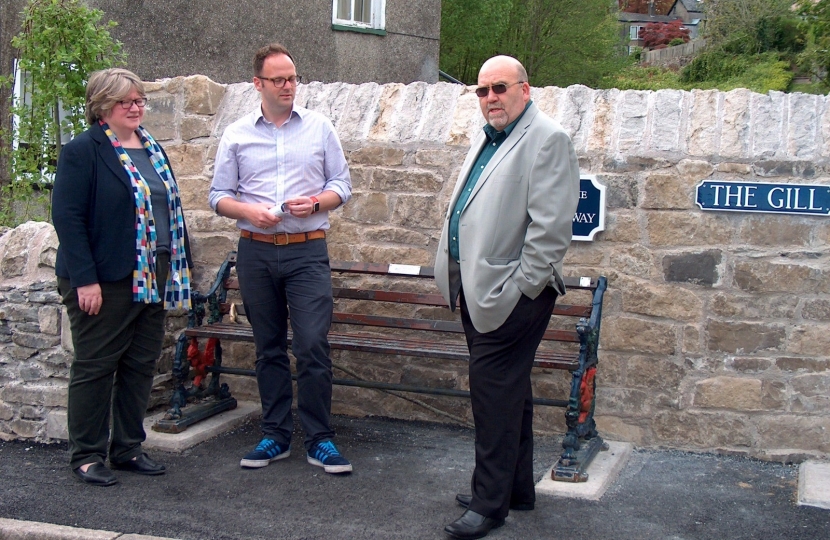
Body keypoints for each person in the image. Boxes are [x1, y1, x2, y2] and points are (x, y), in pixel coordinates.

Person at [434, 55, 580, 539]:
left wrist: (521, 288)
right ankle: (516, 489)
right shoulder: (490, 135)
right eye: (482, 91)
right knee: (508, 393)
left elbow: (551, 230)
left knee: (491, 397)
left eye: (499, 88)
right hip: (478, 289)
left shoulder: (548, 139)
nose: (490, 98)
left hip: (511, 295)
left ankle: (488, 504)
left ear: (525, 89)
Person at [208, 43, 353, 474]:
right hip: (254, 251)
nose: (289, 86)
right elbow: (218, 196)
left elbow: (342, 186)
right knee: (268, 347)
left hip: (307, 250)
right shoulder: (236, 134)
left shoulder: (320, 128)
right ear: (258, 84)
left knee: (312, 344)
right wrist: (248, 211)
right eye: (279, 80)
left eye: (292, 78)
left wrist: (315, 203)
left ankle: (320, 439)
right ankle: (275, 435)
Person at [52, 68, 192, 487]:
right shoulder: (84, 150)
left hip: (154, 273)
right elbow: (68, 218)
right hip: (106, 278)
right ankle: (87, 455)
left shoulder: (151, 148)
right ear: (102, 106)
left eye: (139, 100)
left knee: (139, 366)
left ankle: (128, 448)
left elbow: (168, 210)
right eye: (124, 102)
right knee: (96, 367)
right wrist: (85, 280)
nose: (135, 108)